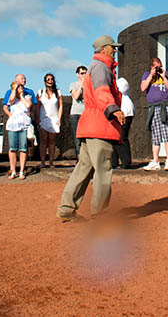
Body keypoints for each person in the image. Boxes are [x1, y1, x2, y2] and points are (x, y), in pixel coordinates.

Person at [57, 35, 125, 221]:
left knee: (83, 169)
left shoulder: (96, 66)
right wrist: (113, 109)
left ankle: (66, 208)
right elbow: (102, 91)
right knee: (103, 170)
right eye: (112, 47)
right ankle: (100, 215)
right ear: (103, 49)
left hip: (89, 125)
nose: (115, 50)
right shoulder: (101, 67)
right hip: (100, 126)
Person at [140, 57, 168, 171]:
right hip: (153, 107)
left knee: (167, 134)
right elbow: (143, 88)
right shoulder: (146, 75)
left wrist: (163, 76)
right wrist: (151, 74)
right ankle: (155, 161)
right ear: (151, 67)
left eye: (159, 66)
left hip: (165, 106)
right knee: (155, 135)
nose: (158, 68)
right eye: (156, 66)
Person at [4, 81, 32, 179]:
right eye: (18, 87)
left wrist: (21, 95)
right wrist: (14, 90)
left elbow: (27, 106)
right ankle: (13, 170)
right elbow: (11, 101)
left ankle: (21, 170)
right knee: (12, 148)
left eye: (21, 86)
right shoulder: (13, 97)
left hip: (23, 124)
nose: (20, 87)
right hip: (13, 125)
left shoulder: (27, 96)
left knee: (23, 148)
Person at [37, 73, 62, 168]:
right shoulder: (40, 92)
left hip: (54, 118)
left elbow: (60, 106)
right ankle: (43, 162)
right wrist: (38, 119)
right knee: (43, 141)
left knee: (52, 141)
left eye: (51, 79)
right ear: (45, 82)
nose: (50, 81)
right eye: (48, 79)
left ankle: (51, 162)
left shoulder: (58, 92)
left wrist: (59, 118)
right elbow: (37, 107)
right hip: (43, 118)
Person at [111, 74, 133, 169]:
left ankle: (126, 162)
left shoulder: (121, 82)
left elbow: (121, 90)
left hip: (124, 111)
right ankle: (114, 161)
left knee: (122, 137)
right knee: (114, 137)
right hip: (120, 110)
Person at [68, 65, 87, 158]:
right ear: (77, 74)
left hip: (86, 113)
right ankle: (79, 158)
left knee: (86, 138)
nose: (84, 75)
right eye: (82, 73)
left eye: (85, 73)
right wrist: (81, 85)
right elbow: (75, 96)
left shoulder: (90, 85)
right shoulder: (73, 84)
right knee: (77, 138)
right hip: (76, 114)